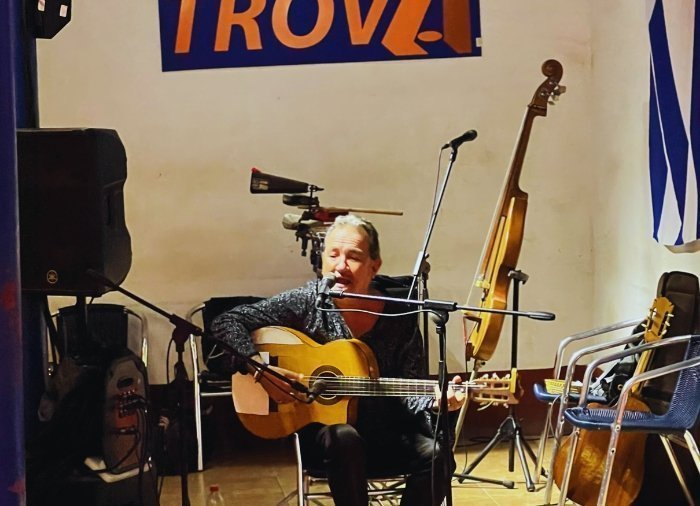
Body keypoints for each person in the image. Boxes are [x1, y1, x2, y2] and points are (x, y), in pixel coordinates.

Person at [211, 214, 464, 506]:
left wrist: (437, 402)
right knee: (343, 436)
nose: (340, 266)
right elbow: (225, 323)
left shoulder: (399, 314)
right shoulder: (308, 302)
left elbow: (411, 388)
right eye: (333, 255)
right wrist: (261, 369)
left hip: (388, 434)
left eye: (353, 257)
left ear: (374, 266)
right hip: (329, 440)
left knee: (439, 457)